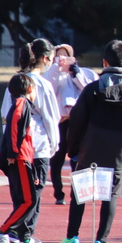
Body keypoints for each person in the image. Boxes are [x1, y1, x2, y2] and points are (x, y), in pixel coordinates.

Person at [52, 40, 122, 243]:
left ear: (104, 61)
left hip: (89, 149)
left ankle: (72, 237)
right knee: (111, 195)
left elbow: (77, 121)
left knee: (80, 193)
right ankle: (101, 242)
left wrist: (73, 149)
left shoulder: (92, 89)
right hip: (119, 152)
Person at [0, 39, 60, 243]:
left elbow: (4, 115)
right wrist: (55, 144)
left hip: (16, 148)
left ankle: (22, 233)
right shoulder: (42, 84)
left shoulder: (14, 83)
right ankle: (22, 233)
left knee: (20, 192)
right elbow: (51, 117)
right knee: (34, 194)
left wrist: (7, 142)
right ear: (45, 59)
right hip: (38, 147)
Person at [0, 74, 47, 243]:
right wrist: (13, 152)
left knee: (23, 199)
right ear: (30, 89)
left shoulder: (21, 104)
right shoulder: (21, 103)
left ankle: (23, 238)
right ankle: (2, 232)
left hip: (23, 157)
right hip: (20, 158)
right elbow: (14, 125)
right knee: (29, 200)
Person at [43, 43, 98, 204]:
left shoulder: (81, 73)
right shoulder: (51, 74)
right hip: (60, 122)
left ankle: (78, 192)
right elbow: (50, 88)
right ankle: (58, 193)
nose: (62, 59)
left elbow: (87, 90)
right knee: (57, 159)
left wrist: (76, 73)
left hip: (77, 122)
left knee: (78, 158)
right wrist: (55, 68)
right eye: (58, 55)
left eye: (65, 55)